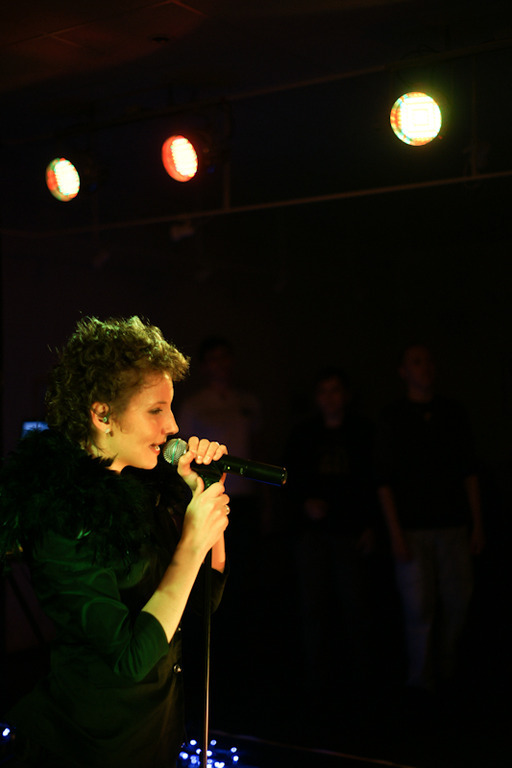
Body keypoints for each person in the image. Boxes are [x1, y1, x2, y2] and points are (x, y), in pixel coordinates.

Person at [0, 316, 231, 768]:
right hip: (89, 744)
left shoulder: (141, 487)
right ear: (102, 414)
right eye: (155, 410)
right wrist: (191, 540)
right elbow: (130, 657)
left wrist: (203, 495)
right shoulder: (62, 514)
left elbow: (202, 601)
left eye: (170, 408)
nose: (173, 425)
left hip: (154, 734)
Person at [374, 344, 485, 698]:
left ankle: (448, 667)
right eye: (416, 362)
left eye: (428, 361)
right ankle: (421, 678)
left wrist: (477, 523)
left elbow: (469, 471)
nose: (425, 368)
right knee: (418, 607)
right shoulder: (393, 418)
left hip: (452, 525)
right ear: (403, 371)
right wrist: (395, 533)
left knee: (457, 601)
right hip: (413, 528)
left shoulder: (452, 414)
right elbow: (384, 480)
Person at [283, 367, 378, 694]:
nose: (329, 397)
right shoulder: (304, 434)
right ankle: (318, 681)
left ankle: (362, 680)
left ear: (346, 395)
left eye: (335, 390)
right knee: (314, 607)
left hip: (350, 531)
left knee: (357, 607)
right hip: (313, 534)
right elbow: (289, 479)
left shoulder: (362, 433)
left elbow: (374, 482)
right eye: (323, 391)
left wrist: (371, 526)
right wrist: (304, 504)